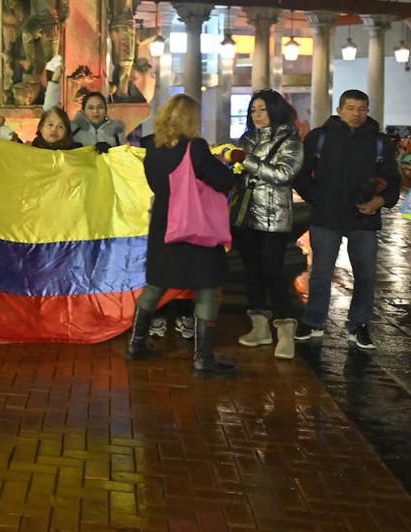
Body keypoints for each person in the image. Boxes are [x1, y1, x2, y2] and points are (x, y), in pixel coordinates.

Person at [126, 94, 238, 376]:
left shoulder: (150, 145)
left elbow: (157, 183)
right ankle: (203, 359)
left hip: (164, 224)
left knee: (156, 284)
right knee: (208, 286)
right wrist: (231, 167)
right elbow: (222, 180)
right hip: (194, 225)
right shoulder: (196, 147)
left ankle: (136, 343)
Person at [294, 90, 400, 350]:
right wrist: (317, 198)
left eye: (362, 108)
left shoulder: (379, 142)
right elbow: (301, 175)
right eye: (351, 107)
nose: (356, 113)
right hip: (327, 216)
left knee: (365, 274)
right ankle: (314, 319)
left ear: (367, 110)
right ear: (339, 109)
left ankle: (359, 324)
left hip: (364, 218)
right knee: (320, 273)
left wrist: (379, 201)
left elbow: (393, 182)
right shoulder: (319, 138)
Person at [226, 90, 305, 360]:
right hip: (245, 214)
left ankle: (285, 331)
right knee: (252, 271)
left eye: (262, 110)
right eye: (253, 111)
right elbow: (239, 174)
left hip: (274, 216)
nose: (257, 116)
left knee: (273, 271)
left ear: (274, 110)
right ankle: (259, 328)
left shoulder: (290, 141)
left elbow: (284, 174)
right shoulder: (247, 138)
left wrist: (244, 161)